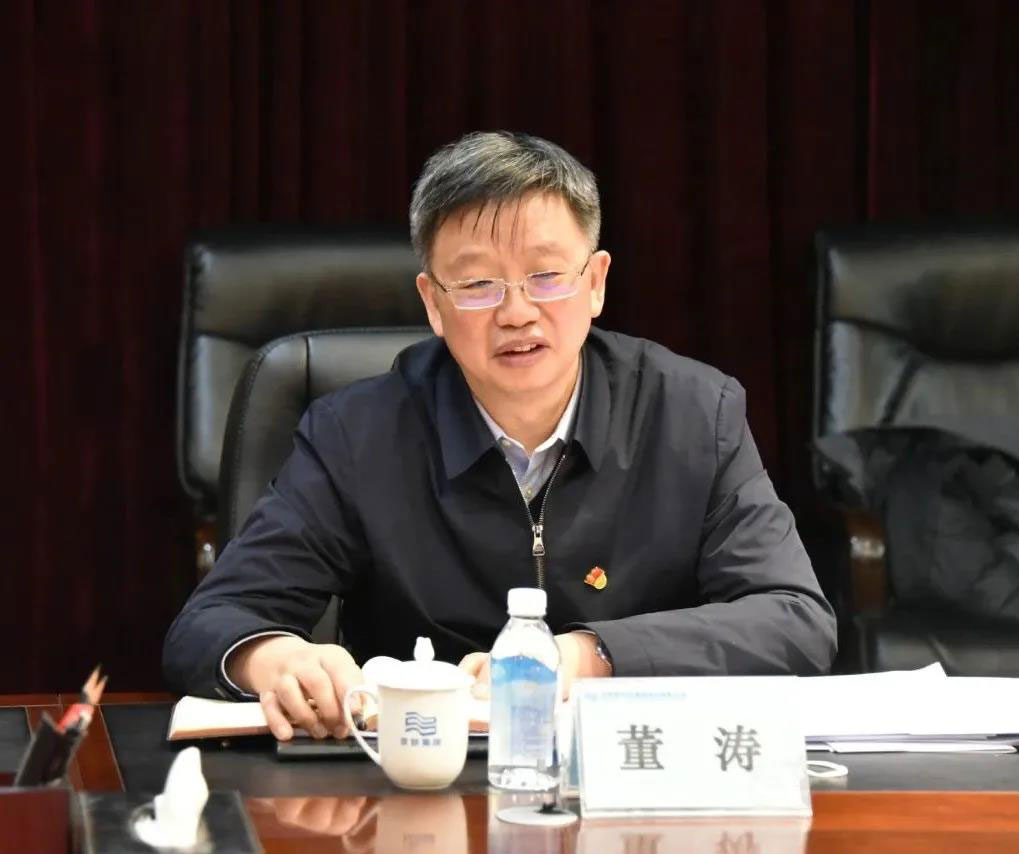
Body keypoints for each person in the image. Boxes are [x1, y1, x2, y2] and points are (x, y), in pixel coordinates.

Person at [163, 131, 836, 741]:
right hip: (419, 778)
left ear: (596, 283)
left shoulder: (692, 414)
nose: (517, 312)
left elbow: (795, 619)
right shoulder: (357, 436)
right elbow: (210, 622)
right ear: (433, 303)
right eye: (478, 284)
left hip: (630, 776)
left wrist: (586, 656)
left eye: (546, 276)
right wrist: (275, 657)